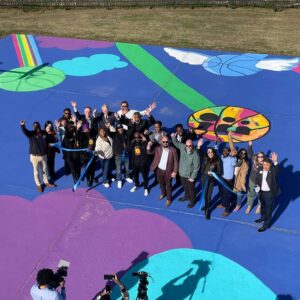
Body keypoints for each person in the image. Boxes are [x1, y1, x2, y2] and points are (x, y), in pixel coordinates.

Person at [20, 120, 56, 192]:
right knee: (36, 171)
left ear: (39, 126)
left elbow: (51, 137)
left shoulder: (44, 133)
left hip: (43, 156)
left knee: (44, 170)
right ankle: (39, 185)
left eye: (37, 125)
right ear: (33, 127)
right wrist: (22, 125)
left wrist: (50, 140)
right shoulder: (31, 134)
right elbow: (25, 131)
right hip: (34, 156)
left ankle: (46, 183)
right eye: (35, 126)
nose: (36, 127)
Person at [147, 136, 178, 207]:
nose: (165, 143)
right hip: (159, 170)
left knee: (169, 185)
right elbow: (149, 152)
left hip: (168, 171)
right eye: (163, 142)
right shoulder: (158, 148)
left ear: (169, 141)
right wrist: (148, 145)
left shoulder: (173, 150)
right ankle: (163, 193)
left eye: (166, 142)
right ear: (161, 142)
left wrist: (175, 171)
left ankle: (169, 199)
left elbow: (176, 162)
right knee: (161, 183)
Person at [172, 133, 200, 208]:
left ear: (192, 145)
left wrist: (192, 177)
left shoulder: (195, 154)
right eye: (187, 145)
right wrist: (173, 138)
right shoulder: (182, 147)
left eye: (190, 146)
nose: (188, 147)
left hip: (189, 176)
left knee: (191, 189)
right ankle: (186, 197)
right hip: (182, 174)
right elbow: (176, 143)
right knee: (185, 187)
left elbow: (196, 167)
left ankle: (192, 201)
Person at [254, 153, 280, 232]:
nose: (265, 167)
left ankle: (266, 225)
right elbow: (257, 179)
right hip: (261, 192)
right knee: (262, 206)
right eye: (264, 164)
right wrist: (257, 187)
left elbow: (277, 170)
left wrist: (275, 161)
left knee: (268, 210)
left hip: (269, 194)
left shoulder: (273, 171)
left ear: (270, 165)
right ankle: (263, 217)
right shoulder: (260, 169)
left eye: (267, 165)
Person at [198, 140, 222, 219]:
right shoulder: (204, 158)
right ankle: (206, 205)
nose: (210, 153)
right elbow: (199, 153)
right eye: (208, 152)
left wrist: (213, 173)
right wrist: (199, 147)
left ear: (213, 152)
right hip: (203, 178)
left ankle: (207, 210)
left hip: (210, 180)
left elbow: (220, 172)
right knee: (205, 194)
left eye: (211, 152)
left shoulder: (217, 161)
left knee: (209, 195)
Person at [227, 132, 249, 212]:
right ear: (239, 152)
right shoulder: (235, 155)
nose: (243, 154)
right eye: (242, 153)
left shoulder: (245, 164)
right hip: (231, 176)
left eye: (244, 153)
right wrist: (229, 136)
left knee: (239, 193)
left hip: (238, 179)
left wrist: (243, 184)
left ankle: (238, 205)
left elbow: (243, 175)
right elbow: (231, 145)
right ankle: (233, 198)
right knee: (231, 189)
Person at [109, 123, 133, 188]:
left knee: (127, 167)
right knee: (118, 169)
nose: (120, 129)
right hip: (118, 155)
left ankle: (127, 176)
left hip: (126, 154)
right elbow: (113, 145)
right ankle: (119, 180)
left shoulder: (126, 134)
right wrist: (116, 153)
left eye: (121, 128)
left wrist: (127, 150)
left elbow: (129, 143)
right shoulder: (114, 135)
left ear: (122, 128)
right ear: (117, 129)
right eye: (118, 128)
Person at [246, 140, 265, 214]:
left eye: (261, 157)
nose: (260, 158)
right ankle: (249, 206)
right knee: (250, 193)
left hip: (260, 183)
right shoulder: (254, 159)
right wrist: (250, 145)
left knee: (260, 195)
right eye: (259, 156)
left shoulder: (265, 164)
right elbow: (250, 153)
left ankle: (259, 206)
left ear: (263, 157)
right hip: (252, 180)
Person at [128, 132, 149, 196]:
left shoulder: (144, 143)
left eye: (138, 137)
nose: (137, 139)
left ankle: (145, 188)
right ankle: (136, 185)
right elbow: (127, 148)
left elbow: (147, 143)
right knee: (135, 176)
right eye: (135, 137)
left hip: (142, 164)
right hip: (135, 163)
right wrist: (132, 141)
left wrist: (143, 137)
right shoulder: (133, 144)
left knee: (144, 176)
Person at [218, 146, 236, 217]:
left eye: (226, 151)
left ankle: (227, 210)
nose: (225, 152)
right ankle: (223, 204)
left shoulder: (231, 159)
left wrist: (233, 155)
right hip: (222, 179)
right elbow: (216, 152)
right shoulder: (222, 157)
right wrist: (216, 144)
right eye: (224, 151)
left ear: (229, 152)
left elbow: (235, 162)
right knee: (222, 193)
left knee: (226, 196)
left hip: (228, 181)